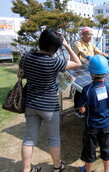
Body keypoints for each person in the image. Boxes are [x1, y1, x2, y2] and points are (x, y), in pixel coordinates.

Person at [19, 29, 81, 172]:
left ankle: (26, 169)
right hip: (49, 106)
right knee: (53, 138)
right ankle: (57, 166)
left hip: (30, 103)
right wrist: (66, 45)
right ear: (54, 47)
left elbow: (21, 75)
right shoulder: (54, 62)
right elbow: (77, 63)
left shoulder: (26, 57)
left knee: (29, 138)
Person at [78, 55, 109, 172]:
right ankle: (106, 169)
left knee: (89, 148)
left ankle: (88, 170)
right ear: (106, 72)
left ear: (90, 73)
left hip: (91, 126)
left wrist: (83, 109)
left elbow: (82, 109)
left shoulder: (87, 89)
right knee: (106, 147)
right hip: (106, 125)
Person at [73, 26, 109, 119]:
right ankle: (78, 110)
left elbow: (99, 52)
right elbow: (82, 53)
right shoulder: (78, 44)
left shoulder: (91, 44)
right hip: (78, 70)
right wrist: (90, 59)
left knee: (87, 88)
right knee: (79, 89)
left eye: (91, 34)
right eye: (89, 34)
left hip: (89, 68)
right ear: (83, 35)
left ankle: (86, 107)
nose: (91, 36)